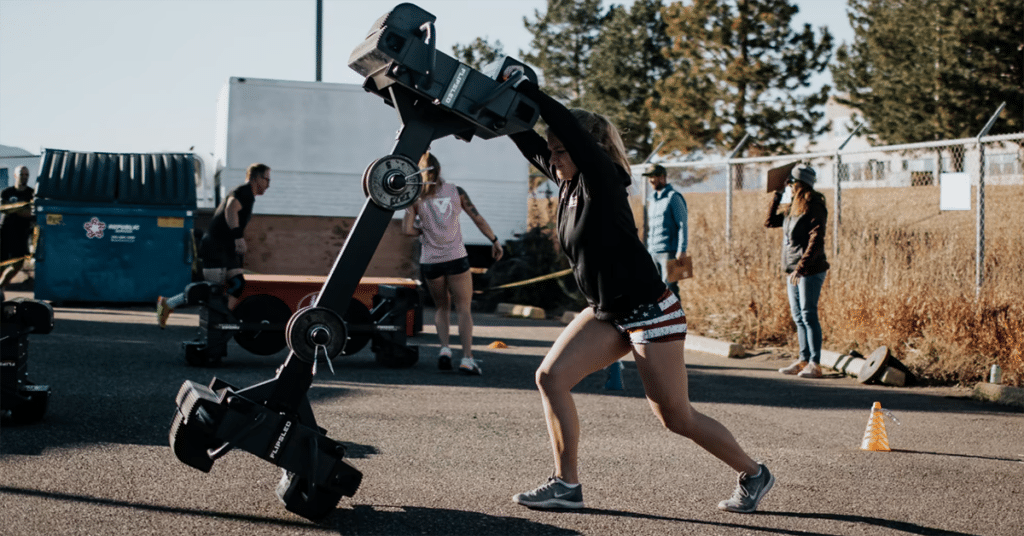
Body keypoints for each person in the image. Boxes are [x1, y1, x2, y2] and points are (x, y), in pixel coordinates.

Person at [505, 75, 773, 513]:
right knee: (550, 378)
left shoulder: (602, 180)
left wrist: (532, 93)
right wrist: (494, 103)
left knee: (676, 418)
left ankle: (754, 473)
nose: (551, 159)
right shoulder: (568, 180)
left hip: (651, 313)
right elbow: (523, 136)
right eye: (549, 151)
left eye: (559, 150)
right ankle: (566, 484)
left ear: (585, 149)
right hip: (608, 311)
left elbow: (569, 133)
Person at [403, 152, 503, 375]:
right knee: (464, 310)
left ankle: (445, 350)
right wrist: (494, 240)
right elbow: (477, 218)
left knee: (441, 307)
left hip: (431, 262)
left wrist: (424, 230)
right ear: (439, 170)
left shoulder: (415, 197)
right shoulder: (456, 192)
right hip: (456, 258)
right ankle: (467, 358)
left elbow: (407, 230)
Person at [157, 163, 270, 327]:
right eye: (266, 179)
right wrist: (238, 237)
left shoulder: (248, 195)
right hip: (215, 246)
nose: (269, 184)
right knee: (211, 291)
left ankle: (224, 318)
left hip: (227, 248)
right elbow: (231, 209)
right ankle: (168, 303)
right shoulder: (244, 191)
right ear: (256, 178)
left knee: (238, 284)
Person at [765, 165, 830, 378]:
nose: (789, 187)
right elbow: (770, 221)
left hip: (809, 270)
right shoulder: (793, 205)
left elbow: (816, 239)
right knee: (798, 316)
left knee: (808, 314)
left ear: (799, 184)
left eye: (791, 183)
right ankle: (803, 359)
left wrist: (801, 268)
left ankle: (815, 363)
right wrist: (777, 196)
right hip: (792, 269)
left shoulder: (814, 205)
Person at [643, 163, 688, 298]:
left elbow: (682, 224)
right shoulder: (652, 200)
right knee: (656, 291)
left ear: (662, 177)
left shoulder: (674, 197)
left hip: (670, 252)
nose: (651, 180)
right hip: (653, 251)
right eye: (649, 177)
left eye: (654, 176)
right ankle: (662, 319)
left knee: (670, 290)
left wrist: (682, 249)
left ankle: (677, 318)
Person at [1, 166, 35, 289]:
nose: (24, 177)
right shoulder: (7, 192)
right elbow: (3, 209)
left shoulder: (31, 193)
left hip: (22, 234)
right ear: (15, 175)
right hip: (5, 232)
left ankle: (1, 287)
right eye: (22, 174)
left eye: (27, 175)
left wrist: (13, 208)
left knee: (17, 264)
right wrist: (22, 208)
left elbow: (31, 213)